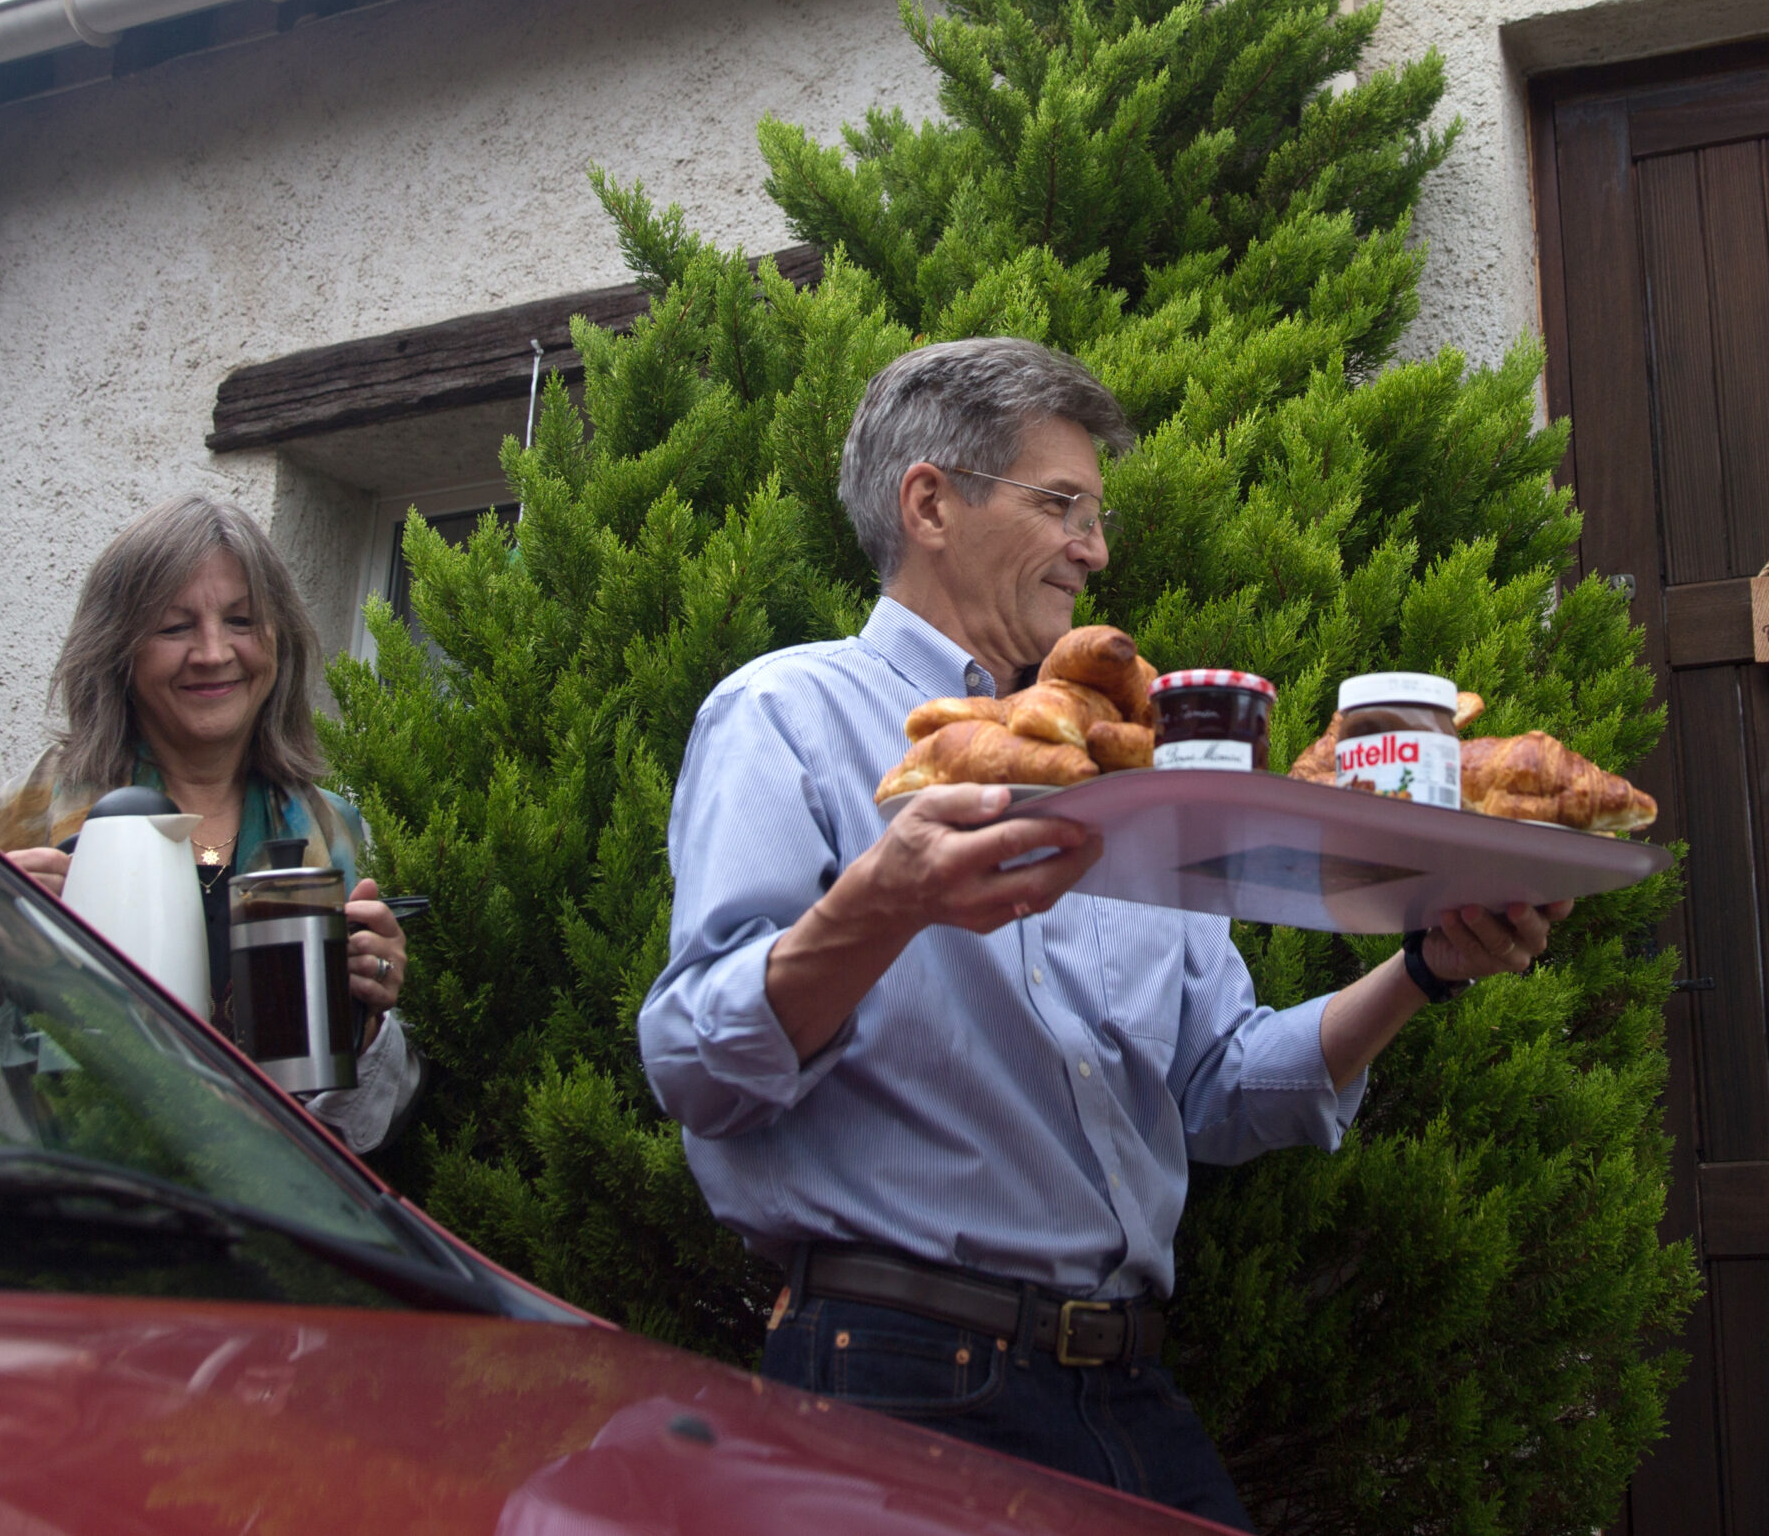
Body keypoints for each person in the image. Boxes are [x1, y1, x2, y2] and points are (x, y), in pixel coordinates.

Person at [638, 338, 1568, 1530]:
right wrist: (884, 900)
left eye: (1096, 511)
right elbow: (694, 1065)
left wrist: (1426, 964)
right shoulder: (788, 714)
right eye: (1062, 504)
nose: (1097, 546)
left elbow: (1221, 1086)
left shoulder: (1130, 764)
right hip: (893, 1377)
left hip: (1123, 1388)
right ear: (931, 501)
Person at [0, 494, 419, 1155]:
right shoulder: (29, 816)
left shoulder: (336, 832)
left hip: (264, 1218)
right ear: (118, 651)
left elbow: (360, 1133)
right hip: (65, 1214)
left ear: (279, 643)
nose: (214, 653)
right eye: (174, 627)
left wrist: (366, 1020)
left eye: (242, 620)